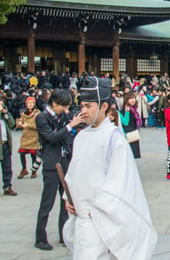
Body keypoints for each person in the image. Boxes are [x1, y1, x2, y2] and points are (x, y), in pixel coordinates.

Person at [63, 76, 157, 259]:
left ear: (103, 106)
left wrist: (97, 207)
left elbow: (120, 184)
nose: (84, 111)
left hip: (100, 218)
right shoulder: (81, 137)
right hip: (81, 217)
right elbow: (73, 174)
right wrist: (69, 197)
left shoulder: (114, 139)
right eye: (82, 106)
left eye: (89, 107)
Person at [35, 89, 85, 251]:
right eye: (63, 106)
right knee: (47, 202)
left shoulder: (62, 115)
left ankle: (64, 235)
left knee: (66, 200)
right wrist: (70, 125)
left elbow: (66, 134)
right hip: (51, 164)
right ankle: (40, 238)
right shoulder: (42, 118)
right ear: (54, 103)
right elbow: (51, 138)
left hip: (64, 161)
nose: (65, 110)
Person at [16, 96, 40, 179]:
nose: (30, 105)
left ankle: (34, 170)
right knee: (22, 153)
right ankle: (24, 169)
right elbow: (20, 122)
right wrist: (20, 124)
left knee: (33, 154)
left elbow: (38, 126)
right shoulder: (23, 113)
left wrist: (28, 125)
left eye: (32, 103)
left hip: (33, 137)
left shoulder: (37, 114)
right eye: (29, 103)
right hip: (25, 137)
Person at [1, 97, 17, 196]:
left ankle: (7, 186)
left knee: (7, 167)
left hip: (5, 144)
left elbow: (12, 124)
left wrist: (6, 113)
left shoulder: (4, 117)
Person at [120, 92, 142, 158]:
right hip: (129, 135)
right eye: (130, 98)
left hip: (133, 134)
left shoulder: (133, 109)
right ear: (126, 99)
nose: (133, 100)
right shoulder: (125, 110)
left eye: (134, 98)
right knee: (129, 156)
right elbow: (125, 123)